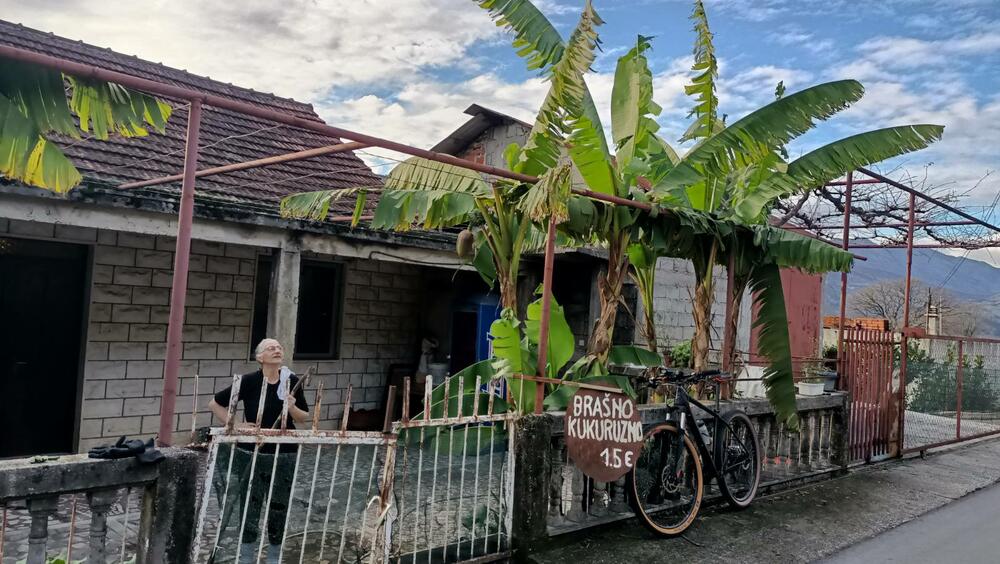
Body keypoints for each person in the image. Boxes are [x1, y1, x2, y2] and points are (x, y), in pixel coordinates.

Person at [208, 338, 309, 564]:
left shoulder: (290, 380)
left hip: (285, 452)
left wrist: (291, 406)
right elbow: (214, 403)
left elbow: (304, 417)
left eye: (279, 347)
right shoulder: (249, 381)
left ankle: (274, 557)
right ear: (259, 358)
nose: (277, 350)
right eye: (270, 348)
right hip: (251, 451)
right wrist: (234, 424)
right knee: (250, 505)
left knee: (278, 505)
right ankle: (246, 558)